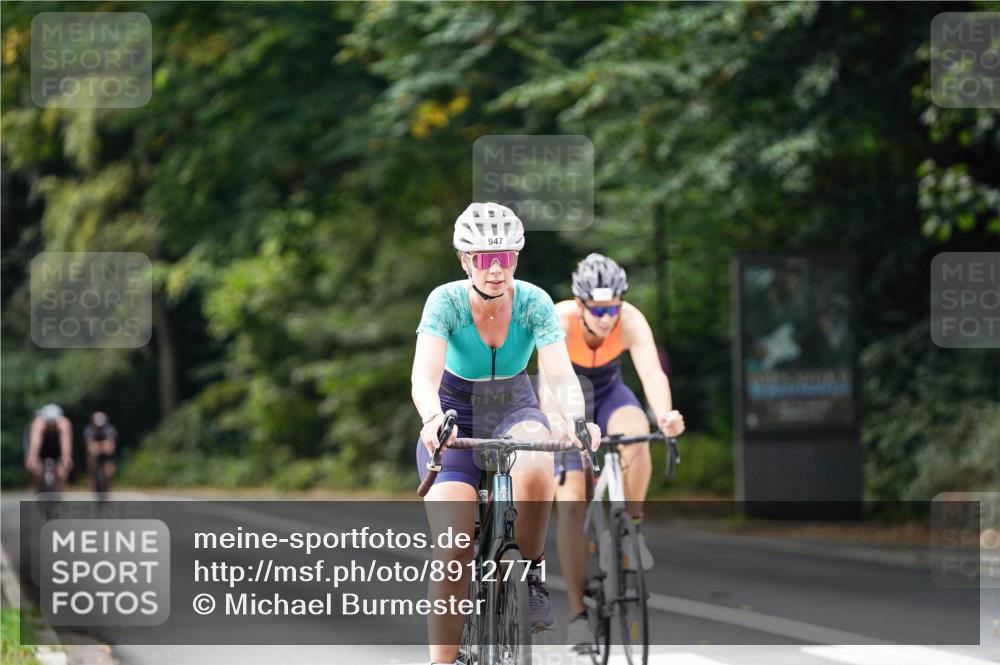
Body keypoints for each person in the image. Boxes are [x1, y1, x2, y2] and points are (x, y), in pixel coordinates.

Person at [412, 202, 600, 665]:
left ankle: (530, 572)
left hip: (513, 406)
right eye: (482, 258)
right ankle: (444, 661)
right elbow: (423, 374)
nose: (495, 269)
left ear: (517, 256)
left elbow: (558, 374)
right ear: (464, 260)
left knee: (538, 462)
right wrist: (434, 419)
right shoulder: (446, 301)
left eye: (505, 257)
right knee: (454, 549)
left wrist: (575, 420)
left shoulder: (533, 301)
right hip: (454, 415)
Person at [549, 253, 685, 651]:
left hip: (610, 394)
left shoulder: (630, 319)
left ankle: (631, 528)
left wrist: (666, 416)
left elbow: (652, 374)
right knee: (571, 504)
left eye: (614, 307)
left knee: (638, 435)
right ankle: (577, 617)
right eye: (599, 309)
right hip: (569, 398)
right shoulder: (559, 321)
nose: (608, 317)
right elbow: (549, 383)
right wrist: (561, 426)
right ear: (581, 305)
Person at [25, 404, 73, 492]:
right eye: (48, 422)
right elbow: (35, 444)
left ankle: (60, 492)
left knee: (62, 472)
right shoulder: (38, 424)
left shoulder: (64, 424)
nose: (51, 425)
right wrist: (32, 459)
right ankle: (37, 488)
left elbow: (66, 443)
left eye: (53, 422)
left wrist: (66, 459)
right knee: (36, 470)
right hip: (41, 448)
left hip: (56, 448)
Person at [84, 411, 118, 493]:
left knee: (110, 470)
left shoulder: (110, 430)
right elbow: (90, 449)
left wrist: (97, 446)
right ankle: (93, 480)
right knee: (91, 462)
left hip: (107, 456)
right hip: (94, 455)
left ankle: (109, 487)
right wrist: (102, 446)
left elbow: (110, 449)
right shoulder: (88, 430)